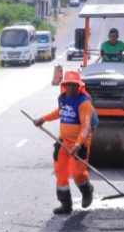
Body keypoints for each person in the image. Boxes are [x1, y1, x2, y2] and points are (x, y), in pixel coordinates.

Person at [34, 69, 96, 214]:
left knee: (76, 172)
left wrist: (78, 144)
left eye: (74, 85)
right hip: (63, 142)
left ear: (78, 85)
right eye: (68, 84)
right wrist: (43, 119)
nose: (71, 87)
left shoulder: (84, 103)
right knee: (60, 171)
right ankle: (65, 204)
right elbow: (59, 112)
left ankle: (87, 190)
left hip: (80, 145)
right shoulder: (62, 99)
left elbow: (86, 127)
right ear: (64, 85)